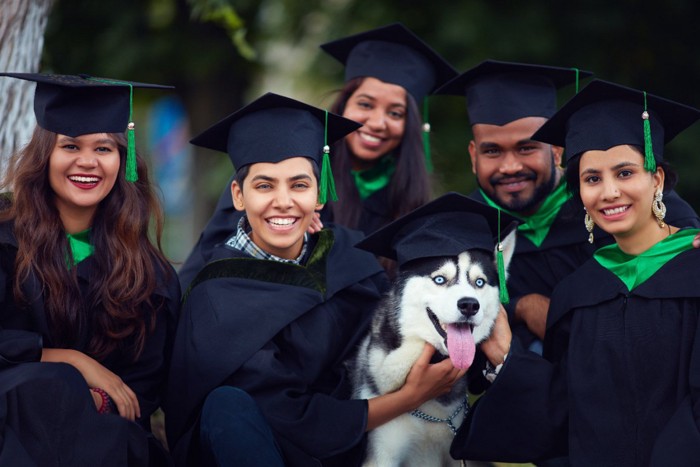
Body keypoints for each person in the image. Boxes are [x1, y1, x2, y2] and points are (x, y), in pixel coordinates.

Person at [164, 92, 464, 467]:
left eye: (299, 185)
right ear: (238, 196)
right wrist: (408, 398)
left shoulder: (351, 254)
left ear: (320, 193)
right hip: (265, 448)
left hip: (361, 443)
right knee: (227, 404)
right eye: (264, 186)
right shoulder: (216, 292)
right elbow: (276, 413)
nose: (284, 201)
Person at [451, 79, 700, 466]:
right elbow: (565, 410)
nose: (609, 192)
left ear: (658, 180)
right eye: (592, 179)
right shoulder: (578, 293)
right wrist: (506, 359)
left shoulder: (693, 269)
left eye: (625, 173)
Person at [435, 60, 700, 354]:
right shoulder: (462, 233)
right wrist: (521, 306)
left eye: (526, 148)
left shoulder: (632, 207)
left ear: (557, 150)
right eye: (492, 151)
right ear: (474, 155)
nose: (510, 167)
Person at [176, 23, 456, 289]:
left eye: (395, 113)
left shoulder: (410, 201)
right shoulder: (285, 167)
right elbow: (209, 258)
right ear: (343, 104)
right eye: (365, 104)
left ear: (412, 125)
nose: (377, 122)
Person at [0, 73, 180, 466]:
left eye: (104, 147)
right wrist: (68, 360)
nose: (88, 161)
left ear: (123, 159)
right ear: (44, 155)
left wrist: (86, 400)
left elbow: (142, 385)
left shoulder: (145, 270)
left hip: (99, 440)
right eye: (70, 146)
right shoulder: (4, 239)